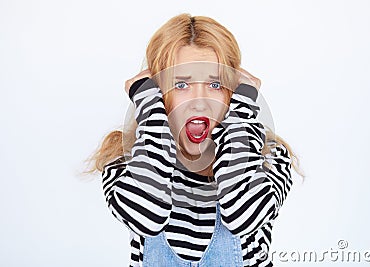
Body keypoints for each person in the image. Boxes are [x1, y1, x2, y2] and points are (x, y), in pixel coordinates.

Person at [86, 13, 305, 267]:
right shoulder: (126, 163)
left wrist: (242, 110)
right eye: (180, 85)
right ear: (157, 94)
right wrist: (149, 107)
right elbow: (147, 217)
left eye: (215, 85)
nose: (200, 102)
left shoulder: (269, 160)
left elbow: (241, 217)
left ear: (233, 93)